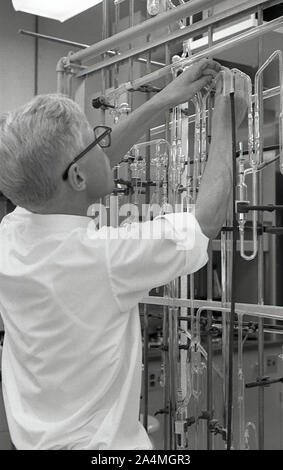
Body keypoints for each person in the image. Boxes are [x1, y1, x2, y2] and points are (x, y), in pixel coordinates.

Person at [0, 59, 245, 450]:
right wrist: (228, 122)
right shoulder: (106, 258)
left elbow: (73, 170)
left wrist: (162, 100)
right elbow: (206, 221)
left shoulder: (12, 233)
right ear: (79, 177)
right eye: (97, 139)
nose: (105, 143)